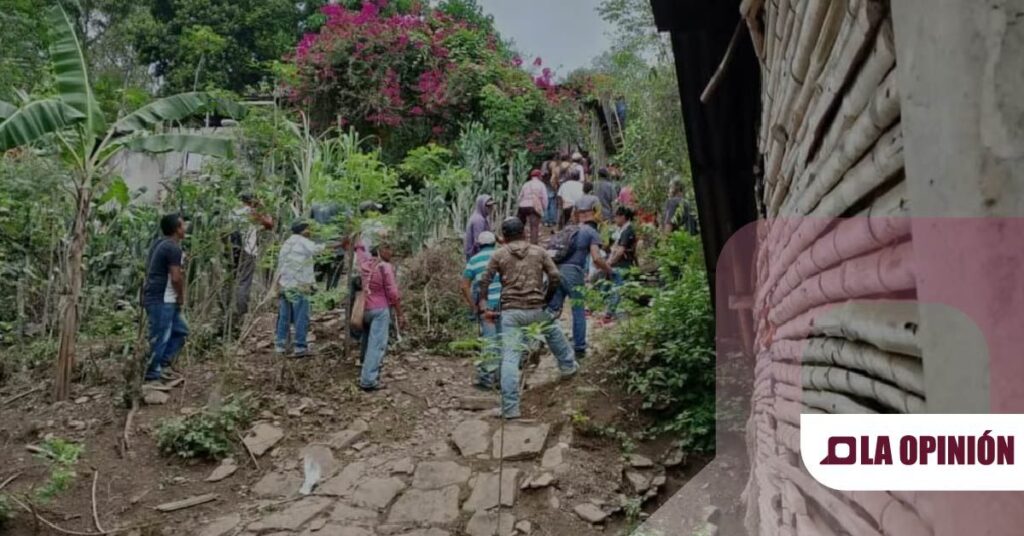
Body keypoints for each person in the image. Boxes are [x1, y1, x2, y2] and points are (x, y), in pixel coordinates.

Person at [479, 217, 578, 419]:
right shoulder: (538, 251)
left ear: (504, 237)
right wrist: (547, 298)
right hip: (536, 306)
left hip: (511, 312)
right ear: (524, 232)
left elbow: (485, 281)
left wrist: (483, 305)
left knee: (510, 357)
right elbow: (555, 277)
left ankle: (511, 409)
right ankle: (568, 366)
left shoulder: (499, 255)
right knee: (553, 331)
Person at [548, 199, 613, 360]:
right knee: (578, 310)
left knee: (551, 310)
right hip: (573, 272)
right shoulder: (591, 232)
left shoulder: (569, 229)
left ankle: (537, 341)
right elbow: (597, 258)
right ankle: (579, 347)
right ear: (594, 214)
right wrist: (609, 271)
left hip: (555, 270)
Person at [143, 214, 190, 383]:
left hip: (159, 297)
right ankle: (152, 375)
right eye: (183, 225)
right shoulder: (172, 248)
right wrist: (181, 297)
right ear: (177, 229)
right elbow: (176, 278)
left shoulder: (160, 243)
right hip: (162, 298)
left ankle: (162, 365)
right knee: (160, 336)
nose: (186, 227)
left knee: (181, 331)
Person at [355, 237, 405, 391]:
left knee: (366, 340)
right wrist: (400, 313)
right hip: (380, 309)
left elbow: (359, 251)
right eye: (388, 248)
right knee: (377, 345)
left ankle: (364, 367)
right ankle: (368, 380)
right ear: (380, 250)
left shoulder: (365, 265)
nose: (391, 252)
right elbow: (393, 293)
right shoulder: (385, 267)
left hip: (365, 309)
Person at [275, 221, 325, 357]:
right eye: (308, 228)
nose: (310, 231)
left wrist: (278, 284)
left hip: (286, 284)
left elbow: (280, 265)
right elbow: (319, 249)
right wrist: (339, 244)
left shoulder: (286, 243)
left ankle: (281, 345)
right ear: (303, 230)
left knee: (284, 316)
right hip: (299, 285)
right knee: (301, 316)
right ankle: (300, 346)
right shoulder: (303, 241)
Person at [461, 231, 502, 389]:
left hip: (487, 306)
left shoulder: (474, 261)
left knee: (489, 341)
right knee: (503, 339)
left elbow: (464, 286)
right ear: (494, 243)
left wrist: (473, 306)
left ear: (479, 245)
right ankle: (501, 378)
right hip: (504, 304)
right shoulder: (502, 255)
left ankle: (486, 379)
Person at [230, 193, 274, 321]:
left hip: (232, 250)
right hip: (247, 250)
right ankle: (241, 314)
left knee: (234, 281)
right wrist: (263, 207)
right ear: (252, 200)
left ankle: (231, 311)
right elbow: (270, 224)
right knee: (244, 282)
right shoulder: (250, 212)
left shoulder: (233, 212)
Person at [603, 206, 638, 323]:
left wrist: (610, 262)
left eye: (617, 217)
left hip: (622, 263)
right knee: (616, 287)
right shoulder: (622, 230)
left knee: (617, 288)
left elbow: (620, 250)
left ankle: (610, 313)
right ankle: (611, 311)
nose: (615, 220)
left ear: (623, 217)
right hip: (620, 262)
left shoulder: (627, 231)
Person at [517, 169, 548, 244]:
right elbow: (545, 198)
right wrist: (544, 208)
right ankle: (533, 245)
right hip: (533, 206)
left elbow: (520, 196)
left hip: (522, 206)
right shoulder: (541, 184)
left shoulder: (526, 184)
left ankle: (519, 242)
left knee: (520, 226)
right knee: (534, 227)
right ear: (539, 176)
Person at [465, 194, 495, 260]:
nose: (491, 208)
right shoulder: (478, 220)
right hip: (474, 255)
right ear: (481, 206)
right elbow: (478, 241)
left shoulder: (483, 217)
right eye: (488, 206)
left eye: (491, 206)